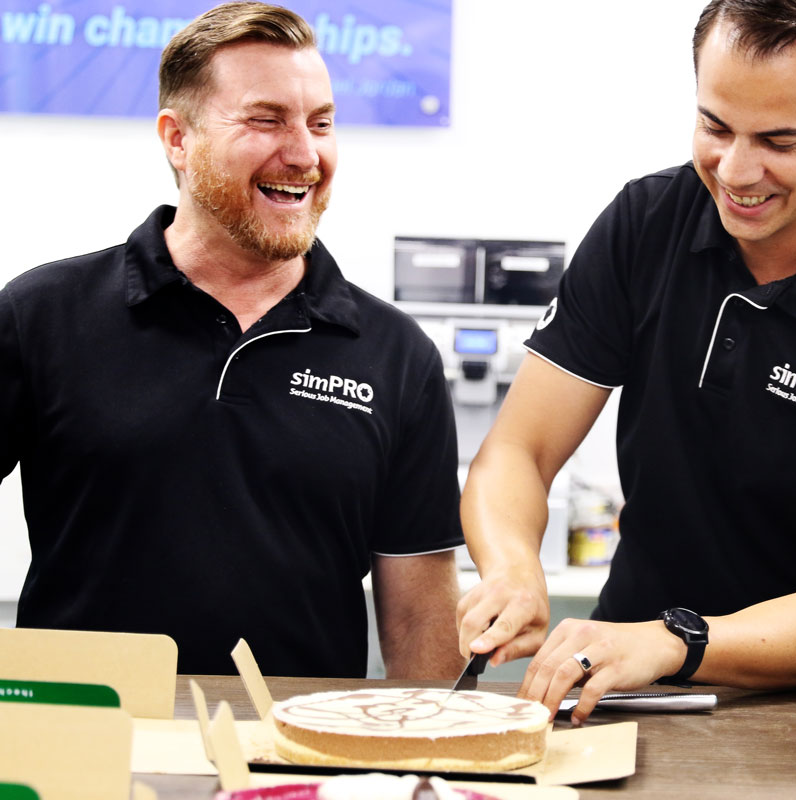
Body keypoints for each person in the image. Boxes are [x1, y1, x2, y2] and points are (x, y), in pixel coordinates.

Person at [457, 0, 796, 722]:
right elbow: (517, 453)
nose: (737, 171)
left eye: (779, 140)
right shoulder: (646, 223)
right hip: (615, 682)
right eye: (715, 127)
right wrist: (515, 570)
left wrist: (675, 642)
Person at [0, 2, 465, 679]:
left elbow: (420, 613)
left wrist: (431, 766)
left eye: (321, 123)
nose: (306, 154)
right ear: (177, 139)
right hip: (87, 745)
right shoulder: (41, 314)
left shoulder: (396, 355)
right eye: (265, 118)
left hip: (301, 758)